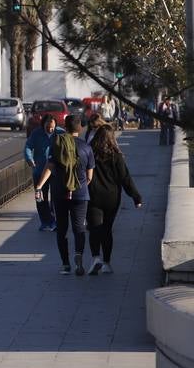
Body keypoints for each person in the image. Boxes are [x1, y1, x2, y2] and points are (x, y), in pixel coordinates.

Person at [34, 113, 95, 275]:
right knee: (79, 228)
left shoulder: (57, 144)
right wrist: (78, 186)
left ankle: (65, 264)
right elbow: (90, 176)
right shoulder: (87, 148)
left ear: (65, 127)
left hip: (59, 193)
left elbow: (50, 167)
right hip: (80, 193)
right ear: (80, 128)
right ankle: (78, 255)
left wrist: (39, 186)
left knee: (61, 229)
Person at [85, 122, 143, 274]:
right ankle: (107, 263)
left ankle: (95, 257)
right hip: (112, 197)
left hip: (93, 197)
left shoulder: (89, 152)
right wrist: (136, 197)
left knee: (94, 229)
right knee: (107, 230)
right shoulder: (116, 156)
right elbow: (125, 178)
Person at [24, 114, 58, 231]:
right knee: (40, 197)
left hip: (54, 171)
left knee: (55, 197)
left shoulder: (60, 133)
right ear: (43, 125)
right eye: (47, 127)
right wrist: (29, 158)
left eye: (52, 127)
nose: (50, 130)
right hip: (39, 170)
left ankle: (54, 220)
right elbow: (28, 146)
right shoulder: (36, 133)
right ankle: (45, 221)